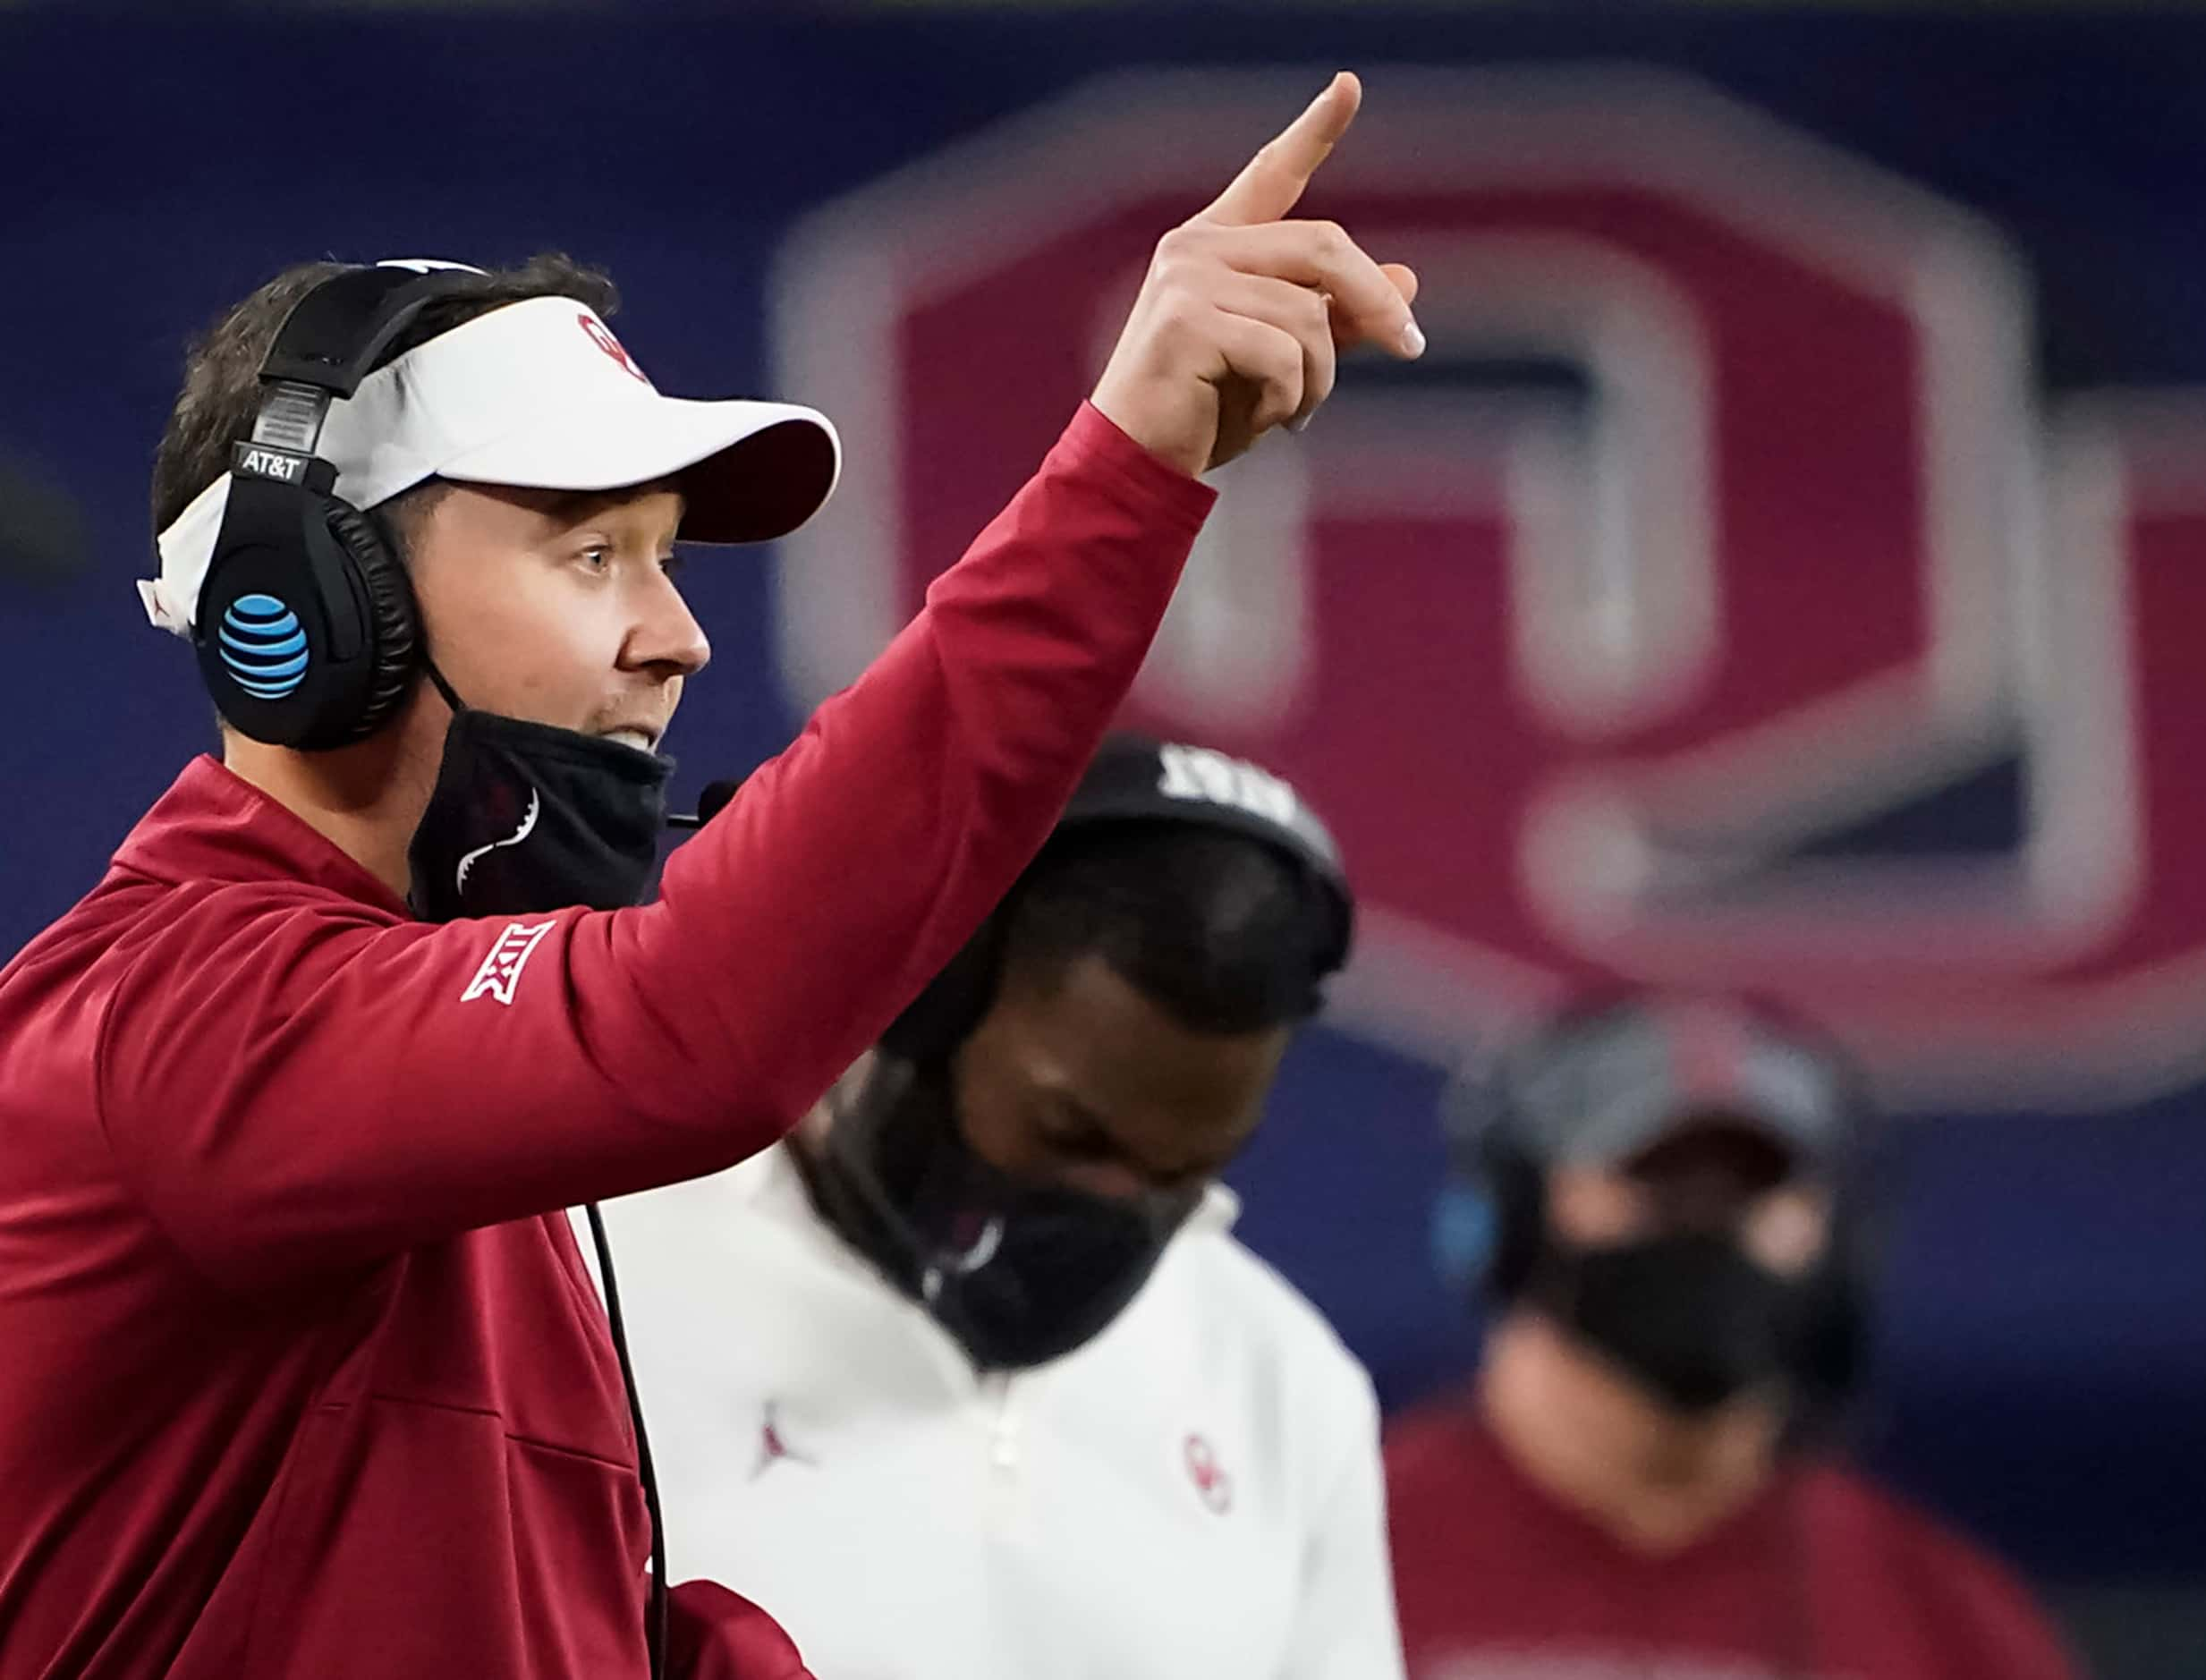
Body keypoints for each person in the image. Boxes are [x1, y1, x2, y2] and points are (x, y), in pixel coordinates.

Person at [0, 74, 1423, 1680]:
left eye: (667, 555)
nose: (675, 636)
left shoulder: (438, 1143)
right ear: (313, 613)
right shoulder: (177, 1017)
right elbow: (700, 1020)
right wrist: (1129, 465)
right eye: (589, 549)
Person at [599, 734, 1403, 1680]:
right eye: (1072, 1135)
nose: (1119, 1206)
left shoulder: (1283, 1380)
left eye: (1182, 1174)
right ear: (918, 996)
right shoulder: (589, 1265)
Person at [1384, 997, 2083, 1680]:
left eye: (1752, 1192)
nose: (1710, 1229)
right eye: (1664, 1184)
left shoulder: (1944, 1616)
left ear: (1834, 1244)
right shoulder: (1338, 1546)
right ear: (1515, 1219)